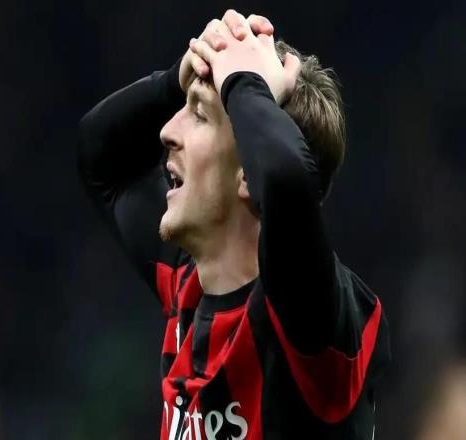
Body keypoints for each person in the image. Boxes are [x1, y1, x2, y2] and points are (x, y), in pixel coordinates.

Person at [77, 9, 390, 439]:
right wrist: (176, 79)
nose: (167, 131)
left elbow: (284, 178)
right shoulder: (188, 284)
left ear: (247, 171)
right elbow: (102, 159)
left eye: (199, 115)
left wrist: (245, 81)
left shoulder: (311, 316)